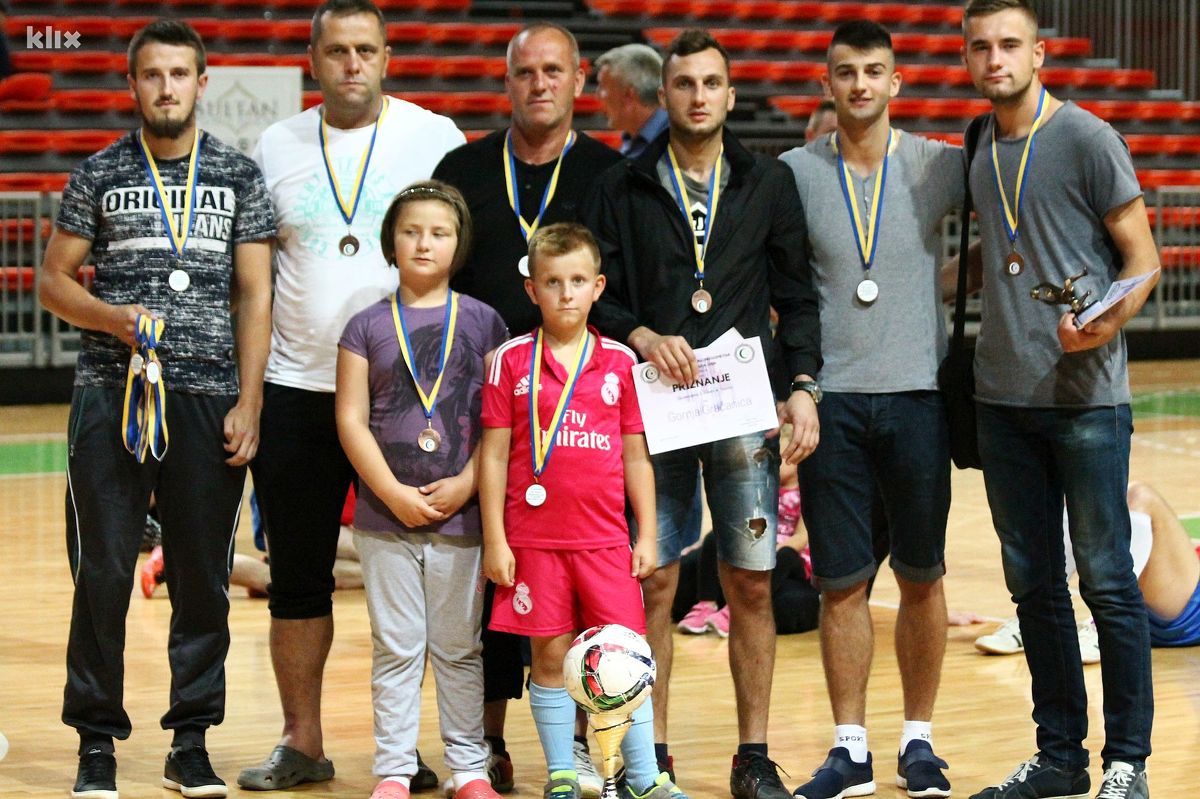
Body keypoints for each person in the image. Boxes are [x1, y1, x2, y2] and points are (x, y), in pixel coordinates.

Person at [37, 19, 275, 799]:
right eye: (152, 74)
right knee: (103, 572)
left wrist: (250, 400)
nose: (166, 88)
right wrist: (115, 320)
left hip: (210, 398)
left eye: (179, 74)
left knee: (203, 578)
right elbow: (53, 282)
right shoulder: (99, 173)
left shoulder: (238, 176)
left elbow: (255, 294)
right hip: (111, 395)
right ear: (132, 84)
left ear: (202, 83)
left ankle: (191, 741)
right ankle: (95, 742)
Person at [583, 28, 821, 799]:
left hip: (741, 412)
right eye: (683, 84)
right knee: (654, 581)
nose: (697, 97)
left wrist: (804, 383)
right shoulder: (622, 184)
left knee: (750, 581)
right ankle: (647, 755)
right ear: (665, 94)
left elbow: (797, 295)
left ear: (729, 93)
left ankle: (753, 756)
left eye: (711, 83)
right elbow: (598, 297)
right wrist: (641, 335)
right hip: (653, 410)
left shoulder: (766, 182)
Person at [239, 0, 465, 790]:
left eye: (365, 49)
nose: (352, 64)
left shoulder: (434, 137)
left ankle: (405, 750)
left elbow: (459, 258)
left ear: (388, 56)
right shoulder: (277, 143)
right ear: (313, 59)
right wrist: (251, 395)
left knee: (419, 583)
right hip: (299, 386)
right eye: (337, 51)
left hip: (408, 393)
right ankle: (301, 741)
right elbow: (254, 282)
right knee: (297, 575)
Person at [959, 2, 1161, 798]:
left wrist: (1104, 325)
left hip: (1086, 400)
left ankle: (1128, 762)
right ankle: (1060, 758)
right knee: (1034, 588)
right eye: (981, 46)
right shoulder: (978, 143)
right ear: (967, 58)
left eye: (1010, 44)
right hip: (1001, 402)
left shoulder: (1086, 137)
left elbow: (1143, 258)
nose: (995, 59)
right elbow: (1005, 251)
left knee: (1106, 581)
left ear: (1039, 54)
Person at [432, 24, 623, 793]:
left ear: (580, 79)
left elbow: (624, 284)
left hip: (578, 414)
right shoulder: (464, 170)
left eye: (553, 70)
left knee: (574, 587)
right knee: (491, 576)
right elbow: (437, 280)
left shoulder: (611, 173)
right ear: (506, 81)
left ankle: (581, 743)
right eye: (525, 72)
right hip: (482, 405)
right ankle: (486, 740)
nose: (539, 83)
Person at [778, 20, 964, 799]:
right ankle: (849, 747)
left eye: (874, 70)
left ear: (896, 82)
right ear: (826, 82)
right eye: (846, 71)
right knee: (841, 582)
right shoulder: (793, 172)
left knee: (922, 574)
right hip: (833, 402)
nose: (860, 84)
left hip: (920, 396)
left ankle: (919, 740)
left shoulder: (939, 165)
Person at [479, 222, 686, 799]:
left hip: (605, 543)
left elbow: (636, 456)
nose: (565, 293)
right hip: (534, 543)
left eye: (576, 281)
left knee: (626, 660)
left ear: (597, 287)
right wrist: (495, 539)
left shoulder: (620, 362)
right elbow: (492, 456)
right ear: (532, 289)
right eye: (552, 282)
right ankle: (563, 774)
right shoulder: (509, 361)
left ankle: (642, 777)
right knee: (548, 658)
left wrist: (647, 534)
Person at [335, 181, 508, 799]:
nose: (424, 243)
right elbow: (351, 419)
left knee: (460, 647)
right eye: (411, 232)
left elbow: (501, 423)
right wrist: (391, 493)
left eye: (439, 232)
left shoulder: (485, 323)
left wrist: (466, 484)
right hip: (385, 517)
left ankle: (469, 767)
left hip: (463, 516)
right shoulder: (365, 326)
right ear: (391, 242)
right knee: (397, 647)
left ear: (459, 244)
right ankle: (394, 769)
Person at [976, 481, 1200, 655]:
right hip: (1159, 606)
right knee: (1081, 491)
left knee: (1142, 496)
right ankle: (1036, 617)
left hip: (1188, 614)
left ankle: (1110, 627)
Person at [674, 427, 819, 638]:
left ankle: (733, 611)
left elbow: (801, 537)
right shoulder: (764, 489)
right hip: (757, 542)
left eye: (779, 459)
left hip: (789, 555)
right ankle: (706, 604)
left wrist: (775, 549)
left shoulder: (805, 493)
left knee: (785, 557)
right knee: (714, 537)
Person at [593, 43, 669, 158]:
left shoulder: (680, 140)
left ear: (628, 95)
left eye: (603, 87)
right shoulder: (633, 138)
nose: (597, 95)